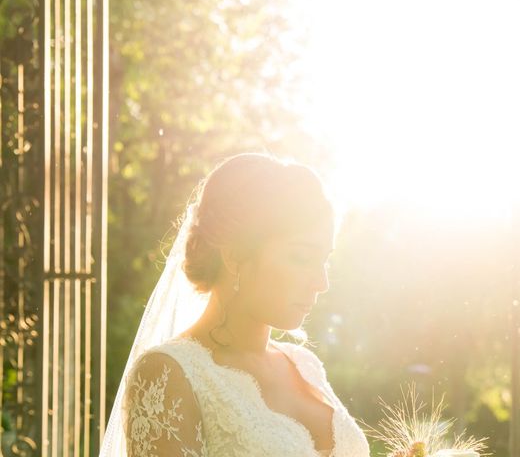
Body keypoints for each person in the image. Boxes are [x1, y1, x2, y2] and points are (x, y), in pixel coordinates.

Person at [100, 153, 371, 456]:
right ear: (234, 256)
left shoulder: (305, 365)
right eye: (301, 257)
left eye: (324, 261)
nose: (321, 283)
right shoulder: (169, 373)